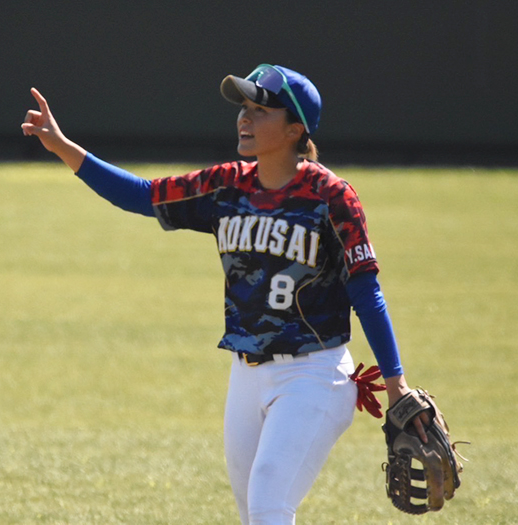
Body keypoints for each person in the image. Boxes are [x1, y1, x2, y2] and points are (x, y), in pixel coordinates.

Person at [22, 64, 428, 525]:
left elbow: (365, 291)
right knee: (255, 516)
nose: (244, 119)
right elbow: (140, 194)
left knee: (269, 505)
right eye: (243, 108)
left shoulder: (331, 197)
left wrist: (396, 385)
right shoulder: (226, 185)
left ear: (295, 129)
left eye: (259, 110)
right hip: (246, 374)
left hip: (313, 375)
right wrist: (61, 146)